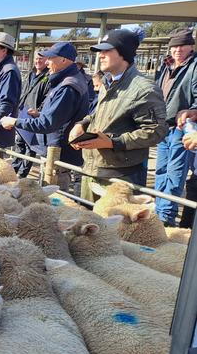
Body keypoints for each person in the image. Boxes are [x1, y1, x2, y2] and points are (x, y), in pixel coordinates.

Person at [69, 29, 168, 201]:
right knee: (90, 224)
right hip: (94, 168)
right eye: (100, 51)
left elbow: (156, 131)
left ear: (124, 53)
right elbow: (100, 114)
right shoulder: (109, 82)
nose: (101, 55)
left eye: (107, 50)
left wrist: (113, 142)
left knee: (116, 226)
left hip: (120, 176)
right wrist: (82, 124)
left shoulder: (144, 89)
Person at [1, 42, 89, 190]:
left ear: (63, 60)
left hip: (58, 151)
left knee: (55, 195)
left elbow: (48, 123)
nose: (46, 62)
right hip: (53, 148)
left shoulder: (68, 86)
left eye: (50, 58)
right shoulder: (65, 81)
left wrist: (15, 121)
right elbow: (59, 116)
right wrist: (41, 114)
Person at [153, 28, 197, 226]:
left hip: (181, 127)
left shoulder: (194, 67)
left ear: (191, 46)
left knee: (175, 173)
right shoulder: (165, 66)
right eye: (174, 46)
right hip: (163, 125)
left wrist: (190, 111)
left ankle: (165, 218)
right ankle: (157, 211)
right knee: (161, 170)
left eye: (182, 45)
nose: (177, 50)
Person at [12, 50, 49, 177]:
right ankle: (14, 169)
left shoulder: (47, 77)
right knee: (19, 143)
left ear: (47, 60)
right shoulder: (30, 74)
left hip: (33, 115)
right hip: (23, 111)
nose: (38, 61)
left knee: (30, 146)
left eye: (41, 59)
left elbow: (47, 98)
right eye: (37, 58)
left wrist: (39, 111)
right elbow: (24, 91)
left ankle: (22, 174)